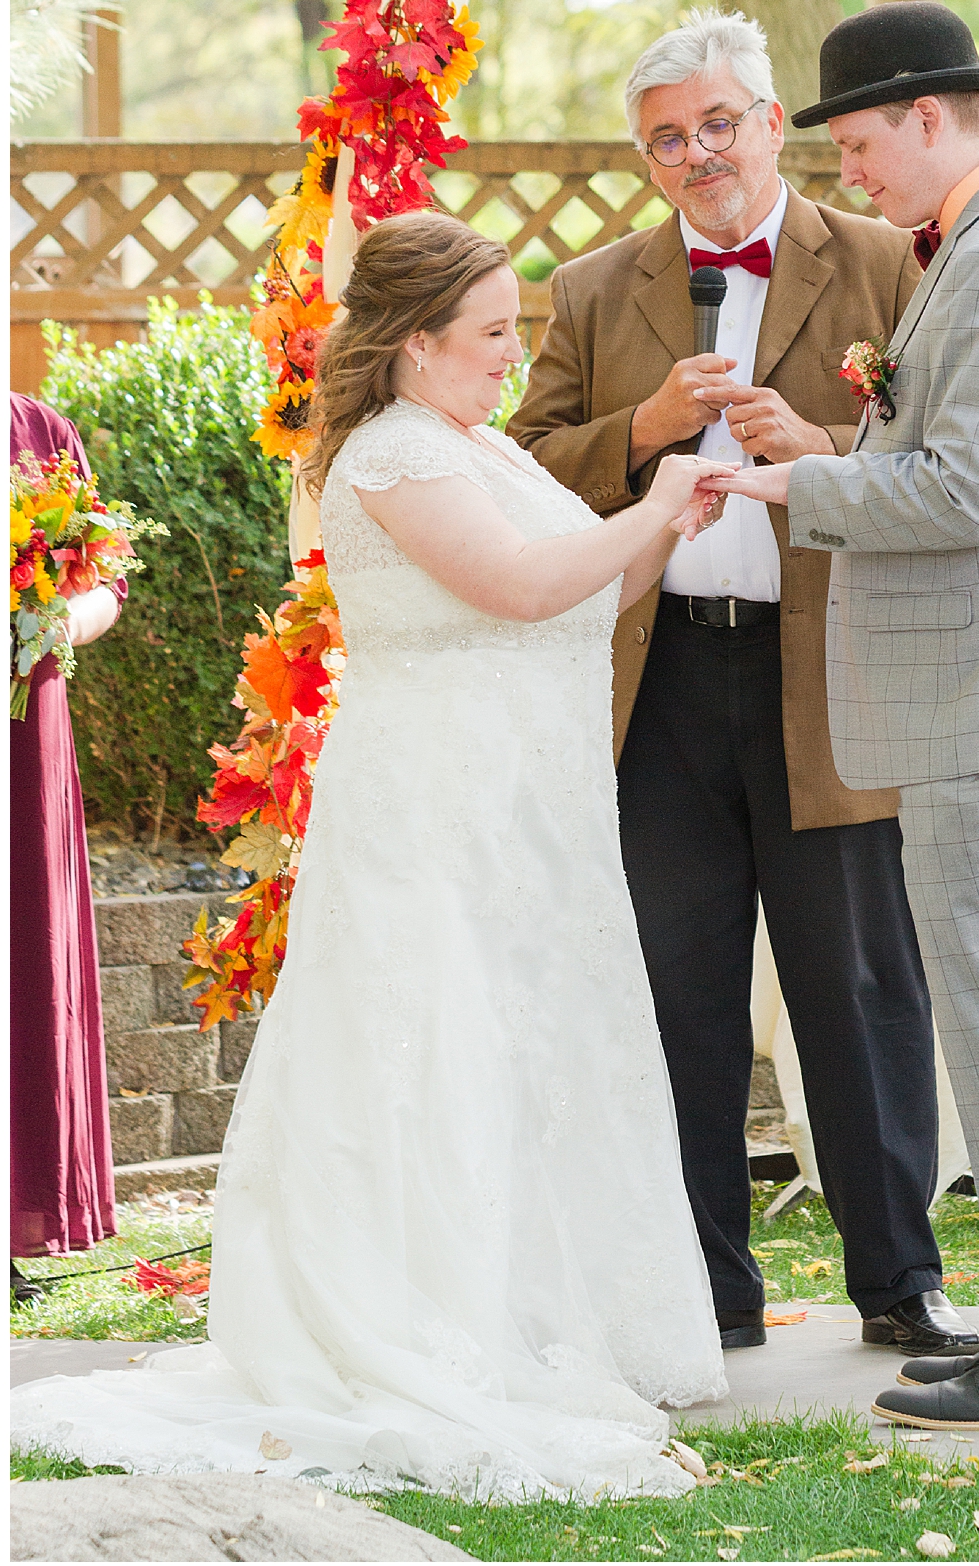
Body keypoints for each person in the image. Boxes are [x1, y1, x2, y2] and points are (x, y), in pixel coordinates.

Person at [10, 213, 729, 1499]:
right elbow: (515, 587)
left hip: (525, 810)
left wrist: (663, 525)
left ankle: (549, 1314)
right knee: (434, 1046)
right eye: (494, 334)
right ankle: (427, 1317)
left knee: (529, 1046)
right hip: (435, 805)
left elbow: (581, 587)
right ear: (412, 350)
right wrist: (657, 497)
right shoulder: (394, 458)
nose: (514, 357)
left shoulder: (469, 444)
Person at [508, 9, 979, 1363]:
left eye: (719, 123)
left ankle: (899, 1279)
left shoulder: (896, 260)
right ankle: (704, 1290)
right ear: (646, 157)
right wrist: (644, 429)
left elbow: (956, 454)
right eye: (668, 137)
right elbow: (526, 467)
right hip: (657, 691)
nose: (697, 153)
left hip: (829, 679)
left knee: (860, 987)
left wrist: (824, 444)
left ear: (776, 124)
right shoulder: (596, 290)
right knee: (677, 993)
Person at [709, 2, 979, 1433]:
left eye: (859, 143)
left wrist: (792, 487)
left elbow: (968, 495)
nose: (851, 177)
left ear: (936, 115)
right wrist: (838, 450)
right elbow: (958, 460)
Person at [11, 394, 123, 1303]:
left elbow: (104, 580)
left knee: (20, 959)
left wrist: (57, 625)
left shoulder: (41, 432)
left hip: (23, 724)